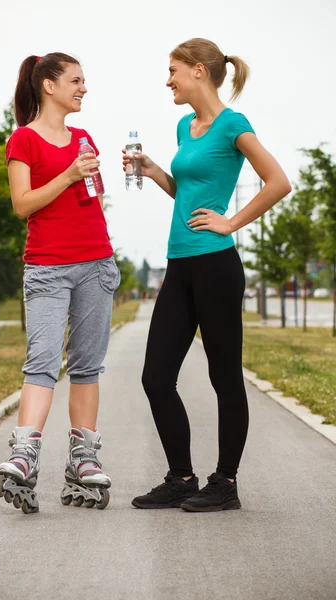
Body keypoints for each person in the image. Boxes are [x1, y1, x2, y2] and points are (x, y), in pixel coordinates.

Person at [124, 38, 291, 512]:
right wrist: (156, 171)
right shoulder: (185, 126)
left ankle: (225, 484)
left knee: (223, 376)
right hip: (179, 266)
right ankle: (181, 477)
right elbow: (188, 192)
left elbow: (278, 181)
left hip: (217, 266)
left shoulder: (232, 125)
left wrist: (231, 222)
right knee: (156, 376)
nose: (168, 79)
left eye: (173, 70)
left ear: (199, 70)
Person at [0, 52, 120, 514]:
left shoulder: (83, 137)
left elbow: (93, 195)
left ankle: (84, 460)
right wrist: (69, 174)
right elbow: (23, 205)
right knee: (43, 361)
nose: (83, 88)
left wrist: (95, 175)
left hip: (96, 262)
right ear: (49, 85)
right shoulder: (23, 140)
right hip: (47, 266)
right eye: (76, 80)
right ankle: (24, 455)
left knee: (87, 364)